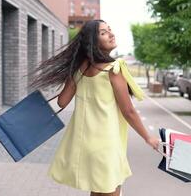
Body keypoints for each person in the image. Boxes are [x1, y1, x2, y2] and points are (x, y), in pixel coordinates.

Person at [28, 19, 159, 196]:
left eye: (110, 30)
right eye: (104, 33)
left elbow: (62, 101)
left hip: (86, 147)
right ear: (93, 42)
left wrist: (76, 70)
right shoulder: (113, 69)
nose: (111, 34)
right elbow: (128, 111)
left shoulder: (80, 69)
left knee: (97, 192)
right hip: (106, 147)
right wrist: (148, 138)